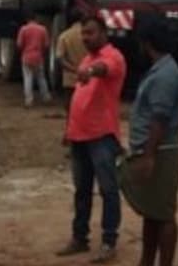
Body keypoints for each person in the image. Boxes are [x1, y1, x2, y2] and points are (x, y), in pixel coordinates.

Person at [57, 17, 127, 264]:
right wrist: (69, 130)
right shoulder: (86, 59)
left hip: (101, 136)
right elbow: (79, 98)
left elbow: (104, 68)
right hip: (80, 136)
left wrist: (90, 70)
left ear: (104, 33)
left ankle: (109, 241)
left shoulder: (112, 56)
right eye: (84, 33)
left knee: (108, 190)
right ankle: (80, 237)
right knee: (82, 190)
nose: (86, 37)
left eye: (91, 33)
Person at [120, 15, 178, 266]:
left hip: (161, 152)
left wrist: (148, 156)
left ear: (146, 43)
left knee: (164, 213)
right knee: (152, 211)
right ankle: (146, 261)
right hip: (155, 149)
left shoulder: (165, 75)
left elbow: (159, 118)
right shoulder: (161, 70)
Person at [16, 13, 52, 107]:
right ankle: (46, 97)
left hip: (27, 56)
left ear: (27, 19)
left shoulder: (23, 29)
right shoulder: (43, 29)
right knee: (41, 78)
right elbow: (46, 45)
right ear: (36, 18)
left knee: (28, 78)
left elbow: (19, 44)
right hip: (38, 57)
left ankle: (29, 100)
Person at [55, 11, 86, 110]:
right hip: (88, 77)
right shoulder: (89, 36)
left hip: (70, 79)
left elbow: (60, 58)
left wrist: (73, 69)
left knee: (70, 107)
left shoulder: (64, 36)